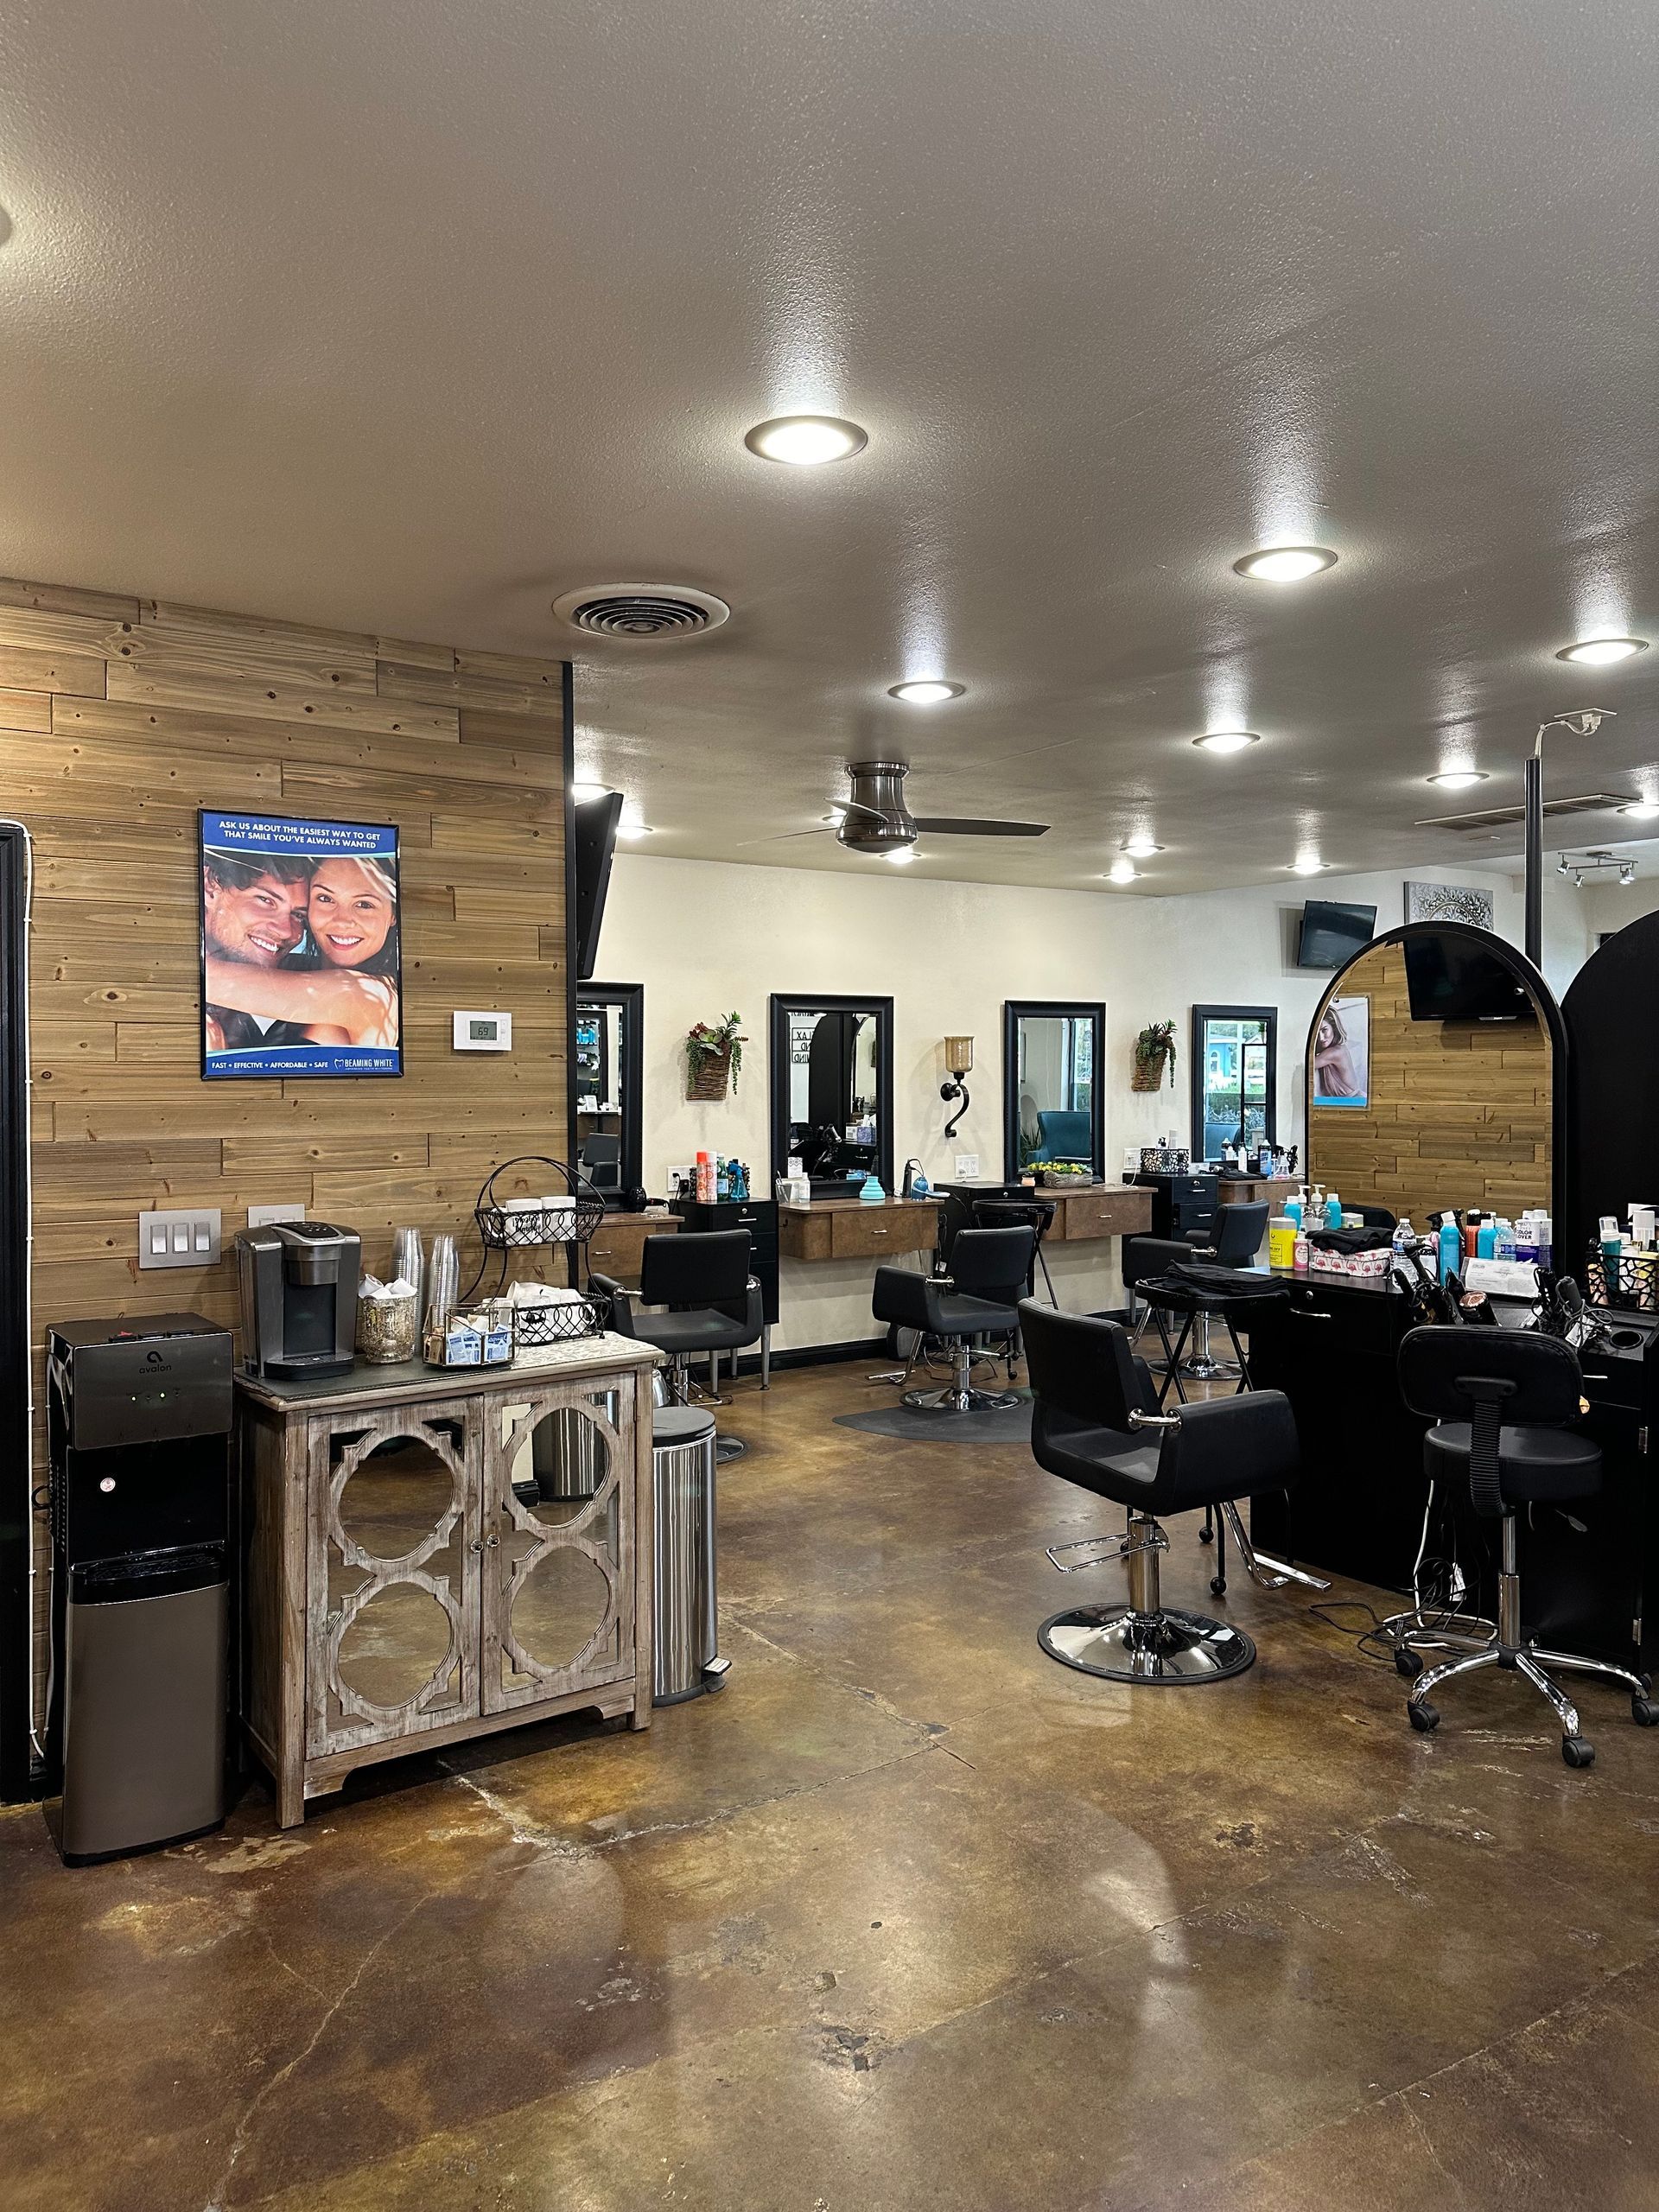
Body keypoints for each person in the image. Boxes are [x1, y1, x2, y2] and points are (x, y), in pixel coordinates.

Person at [202, 855, 400, 1049]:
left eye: (364, 904)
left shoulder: (368, 995)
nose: (342, 920)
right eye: (325, 898)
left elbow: (206, 979)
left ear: (393, 915)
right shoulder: (293, 968)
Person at [200, 849, 316, 1054]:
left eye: (298, 915)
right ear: (211, 886)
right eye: (265, 900)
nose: (286, 931)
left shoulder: (313, 980)